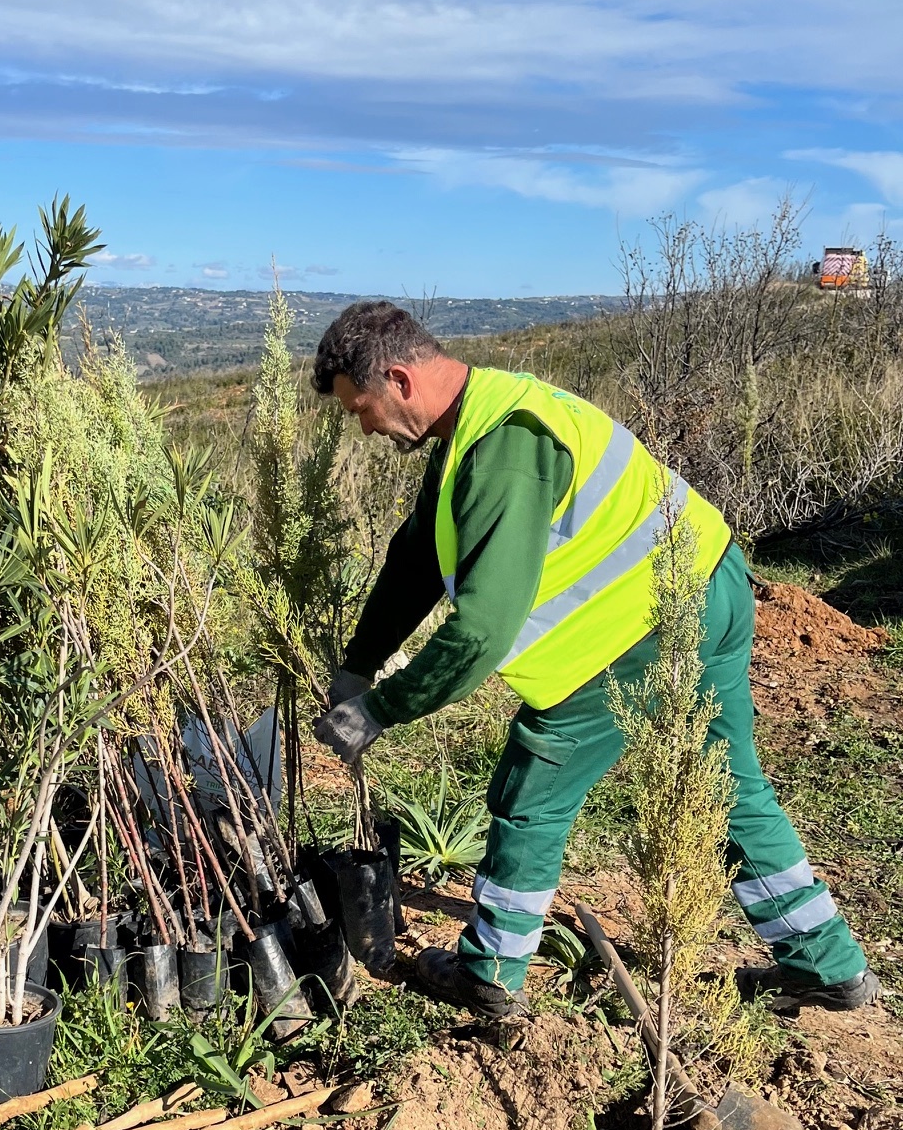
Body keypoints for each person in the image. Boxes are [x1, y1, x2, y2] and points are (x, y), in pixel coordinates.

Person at [309, 299, 877, 1019]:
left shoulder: (504, 450)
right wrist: (361, 661)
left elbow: (481, 631)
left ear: (399, 378)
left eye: (361, 408)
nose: (362, 427)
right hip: (710, 580)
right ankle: (825, 963)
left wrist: (380, 709)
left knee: (532, 790)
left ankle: (490, 973)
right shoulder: (487, 414)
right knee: (725, 783)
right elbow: (416, 556)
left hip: (638, 629)